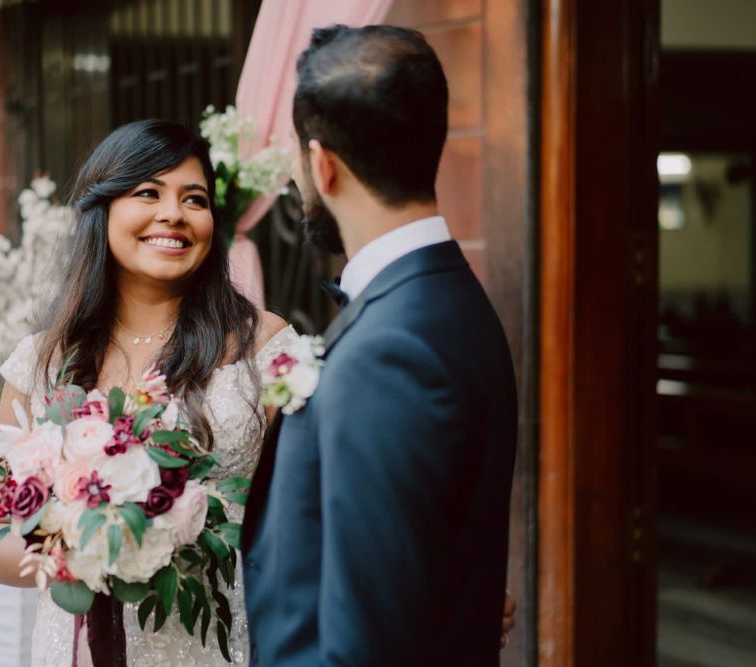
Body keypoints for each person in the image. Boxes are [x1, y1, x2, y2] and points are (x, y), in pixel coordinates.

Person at [242, 25, 519, 666]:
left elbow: (370, 641)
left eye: (293, 153)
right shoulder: (448, 299)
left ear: (322, 164)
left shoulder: (390, 352)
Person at [0, 118, 297, 666]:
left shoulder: (262, 345)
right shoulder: (44, 360)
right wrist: (81, 552)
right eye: (148, 192)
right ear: (102, 210)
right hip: (75, 647)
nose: (173, 213)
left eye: (194, 199)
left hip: (220, 641)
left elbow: (320, 508)